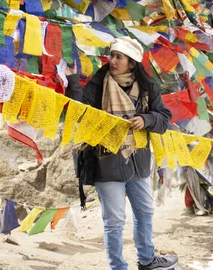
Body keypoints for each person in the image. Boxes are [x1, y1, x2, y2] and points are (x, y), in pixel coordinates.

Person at [66, 36, 178, 270]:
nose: (113, 61)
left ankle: (147, 260)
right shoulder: (98, 85)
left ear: (132, 63)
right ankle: (118, 266)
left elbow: (164, 118)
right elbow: (79, 113)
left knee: (145, 211)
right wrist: (72, 80)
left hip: (138, 159)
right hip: (106, 160)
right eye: (112, 56)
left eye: (119, 57)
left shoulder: (148, 87)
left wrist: (146, 119)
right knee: (115, 220)